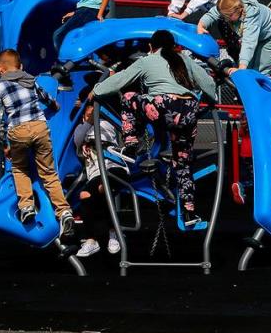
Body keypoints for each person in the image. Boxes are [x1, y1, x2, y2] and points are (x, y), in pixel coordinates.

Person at [89, 30, 216, 227]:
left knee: (130, 96)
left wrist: (96, 91)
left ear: (151, 47)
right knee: (183, 164)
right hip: (188, 112)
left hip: (164, 106)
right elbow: (208, 83)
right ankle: (190, 213)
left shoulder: (148, 60)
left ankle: (130, 143)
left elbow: (120, 79)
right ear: (175, 46)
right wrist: (211, 99)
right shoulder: (184, 59)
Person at [0, 49, 74, 234]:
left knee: (20, 169)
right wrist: (54, 105)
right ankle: (64, 211)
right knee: (49, 173)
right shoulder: (30, 80)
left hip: (18, 130)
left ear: (0, 69)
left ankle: (27, 206)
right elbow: (45, 97)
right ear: (20, 66)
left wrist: (4, 145)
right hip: (39, 126)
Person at [72, 103, 127, 258]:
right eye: (89, 115)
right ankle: (93, 239)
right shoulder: (81, 130)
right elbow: (77, 139)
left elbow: (115, 137)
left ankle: (112, 232)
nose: (93, 117)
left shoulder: (107, 124)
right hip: (96, 173)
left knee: (104, 188)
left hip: (114, 168)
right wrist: (88, 123)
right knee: (85, 195)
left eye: (96, 114)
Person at [197, 0, 271, 75]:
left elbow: (249, 42)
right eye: (224, 16)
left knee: (259, 71)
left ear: (239, 10)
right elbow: (212, 14)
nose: (226, 19)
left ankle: (264, 91)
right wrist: (201, 25)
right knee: (248, 69)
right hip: (259, 36)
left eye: (228, 16)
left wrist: (242, 67)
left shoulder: (251, 16)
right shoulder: (228, 7)